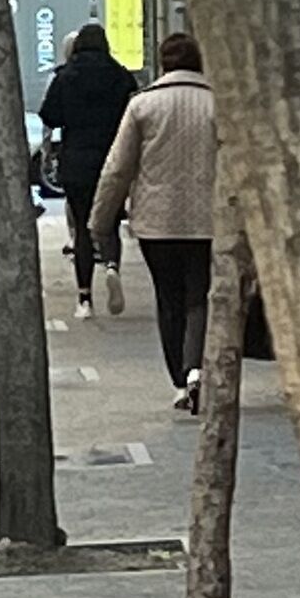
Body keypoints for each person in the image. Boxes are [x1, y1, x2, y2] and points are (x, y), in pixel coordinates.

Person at [92, 30, 217, 409]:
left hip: (155, 222)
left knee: (169, 299)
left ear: (163, 63)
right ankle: (197, 369)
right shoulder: (217, 104)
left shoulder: (142, 106)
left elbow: (117, 169)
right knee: (200, 296)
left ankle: (179, 382)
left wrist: (100, 221)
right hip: (208, 220)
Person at [36, 21, 139, 317]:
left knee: (82, 226)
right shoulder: (121, 77)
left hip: (76, 159)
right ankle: (111, 266)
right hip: (112, 158)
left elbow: (49, 115)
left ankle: (84, 299)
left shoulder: (65, 77)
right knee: (108, 224)